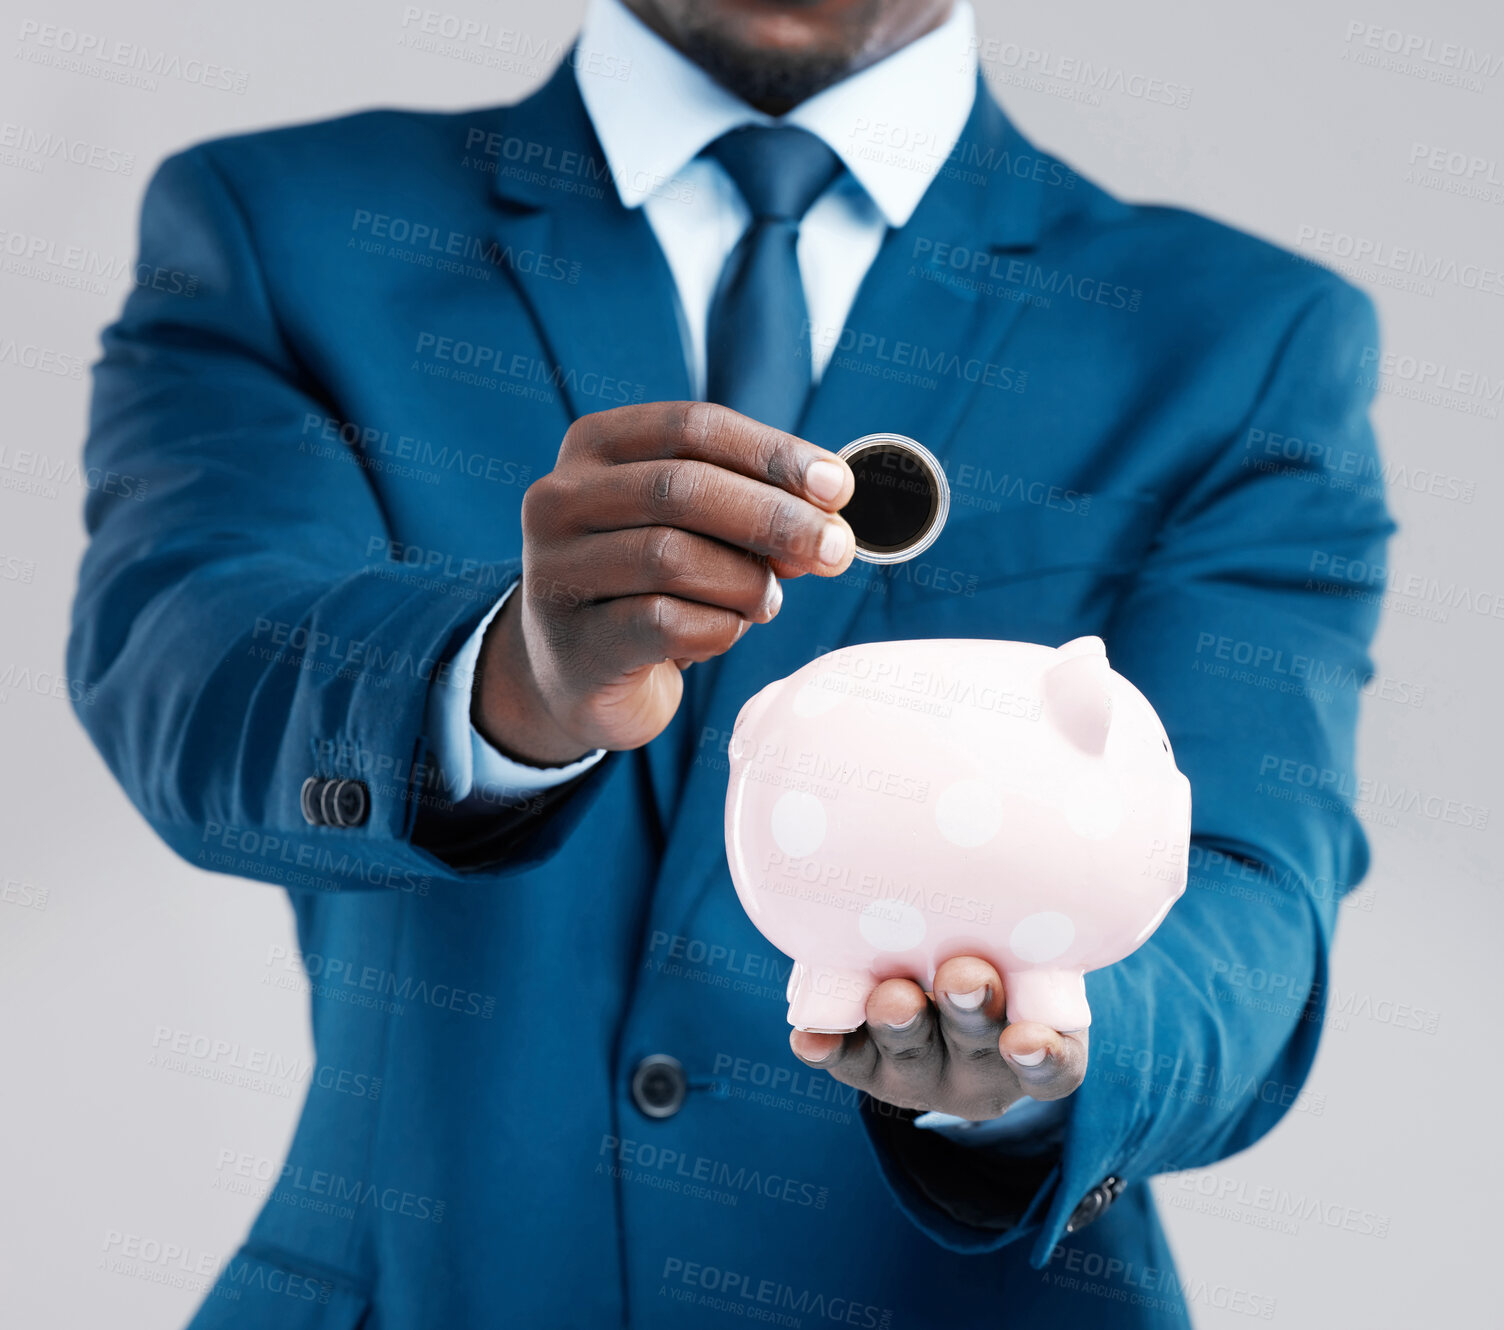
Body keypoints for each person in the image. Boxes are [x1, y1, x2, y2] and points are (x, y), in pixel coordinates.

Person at [68, 0, 1392, 1324]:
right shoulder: (279, 229)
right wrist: (513, 680)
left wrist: (1050, 1060)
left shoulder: (1243, 343)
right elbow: (186, 659)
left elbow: (1244, 877)